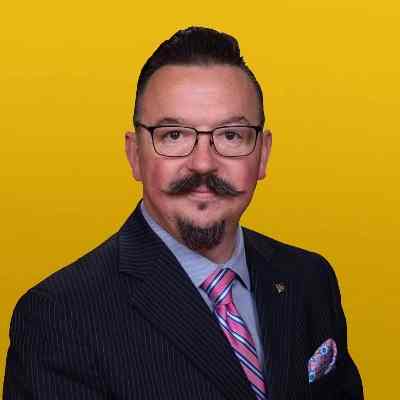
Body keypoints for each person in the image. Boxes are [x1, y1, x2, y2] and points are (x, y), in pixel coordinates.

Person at [3, 27, 363, 399]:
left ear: (263, 154)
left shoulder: (308, 279)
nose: (203, 163)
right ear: (134, 154)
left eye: (230, 135)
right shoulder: (60, 316)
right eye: (174, 135)